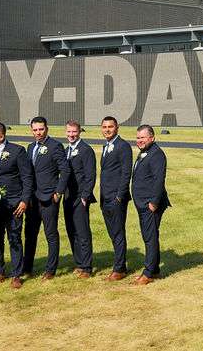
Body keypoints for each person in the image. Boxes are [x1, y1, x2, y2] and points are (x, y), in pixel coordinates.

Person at [0, 121, 32, 288]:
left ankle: (17, 275)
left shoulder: (17, 151)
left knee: (14, 238)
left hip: (14, 204)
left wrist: (24, 200)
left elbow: (27, 177)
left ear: (1, 137)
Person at [22, 116, 69, 279]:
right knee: (30, 234)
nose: (38, 132)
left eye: (41, 129)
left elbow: (65, 170)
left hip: (49, 198)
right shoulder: (30, 147)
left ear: (46, 129)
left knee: (51, 234)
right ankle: (27, 268)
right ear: (31, 131)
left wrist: (58, 192)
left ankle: (50, 270)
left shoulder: (55, 146)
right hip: (32, 199)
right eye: (35, 130)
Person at [130, 124, 170, 285]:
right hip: (142, 203)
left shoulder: (157, 154)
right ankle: (154, 270)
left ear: (152, 138)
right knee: (150, 235)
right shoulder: (144, 152)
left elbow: (159, 180)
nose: (139, 140)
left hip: (150, 204)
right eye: (138, 137)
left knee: (150, 237)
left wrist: (153, 202)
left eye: (143, 137)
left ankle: (148, 273)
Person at [98, 115, 132, 280]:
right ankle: (120, 264)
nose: (107, 130)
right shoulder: (106, 146)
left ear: (117, 128)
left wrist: (119, 196)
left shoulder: (123, 146)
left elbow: (126, 173)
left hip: (116, 198)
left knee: (118, 233)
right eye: (104, 127)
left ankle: (119, 269)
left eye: (110, 127)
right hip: (105, 197)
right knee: (113, 233)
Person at [61, 120, 96, 277]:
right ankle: (79, 263)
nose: (71, 135)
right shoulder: (66, 150)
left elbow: (90, 175)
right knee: (71, 230)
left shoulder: (86, 150)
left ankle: (87, 267)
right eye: (69, 132)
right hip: (68, 196)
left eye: (74, 132)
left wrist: (85, 196)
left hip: (80, 197)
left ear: (79, 132)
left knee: (82, 232)